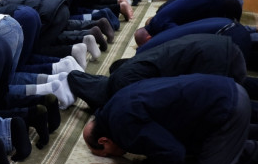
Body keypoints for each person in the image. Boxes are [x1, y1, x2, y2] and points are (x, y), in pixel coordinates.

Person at [82, 74, 258, 164]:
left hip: (227, 109)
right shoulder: (114, 105)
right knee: (201, 157)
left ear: (105, 140)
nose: (110, 157)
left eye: (104, 154)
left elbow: (173, 154)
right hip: (226, 92)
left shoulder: (122, 125)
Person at [68, 33, 248, 110]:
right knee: (239, 94)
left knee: (231, 107)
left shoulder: (124, 86)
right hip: (221, 47)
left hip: (216, 60)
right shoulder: (126, 70)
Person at [133, 0, 242, 47]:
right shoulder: (156, 20)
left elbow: (182, 36)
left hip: (224, 5)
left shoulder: (160, 25)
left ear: (148, 38)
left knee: (232, 32)